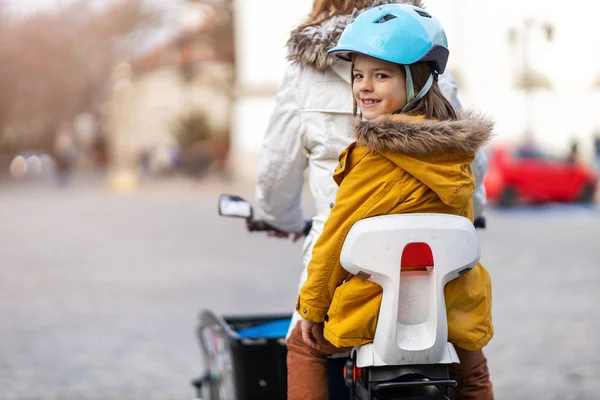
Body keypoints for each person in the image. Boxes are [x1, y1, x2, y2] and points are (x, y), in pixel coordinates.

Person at [287, 4, 494, 400]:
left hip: (378, 308)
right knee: (473, 375)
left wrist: (312, 308)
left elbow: (334, 240)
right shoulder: (458, 154)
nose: (364, 86)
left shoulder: (372, 156)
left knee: (301, 345)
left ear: (415, 80)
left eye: (381, 76)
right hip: (451, 308)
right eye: (358, 75)